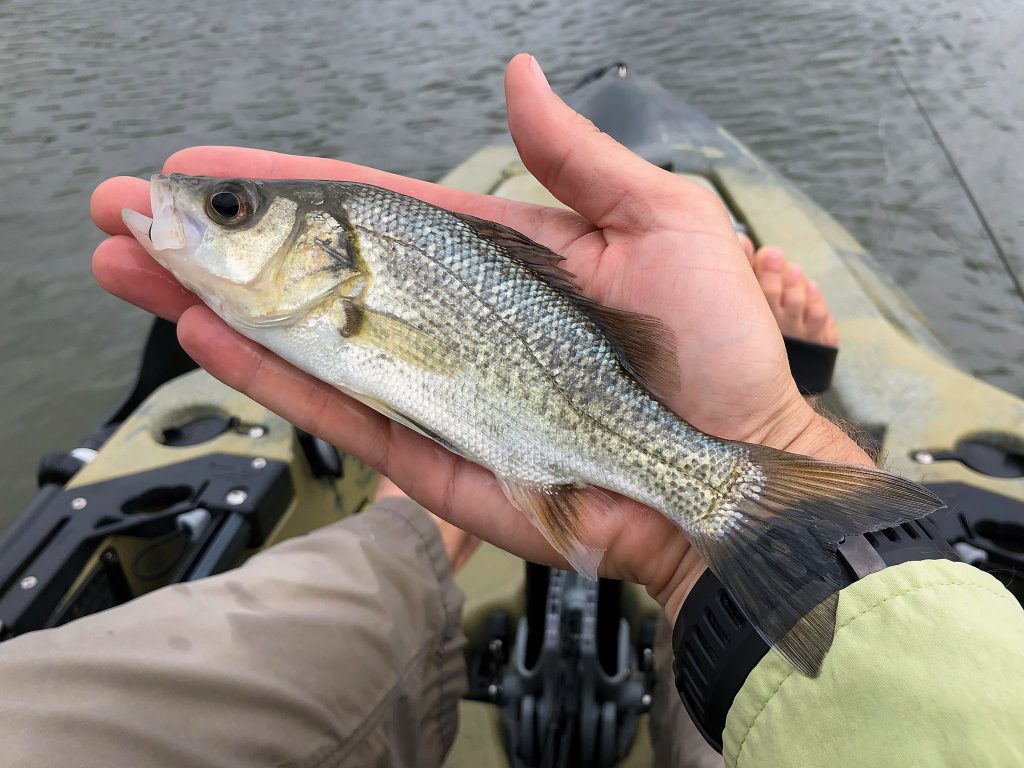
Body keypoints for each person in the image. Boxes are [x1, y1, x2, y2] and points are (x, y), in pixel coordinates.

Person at [0, 54, 1019, 767]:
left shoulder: (339, 285)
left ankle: (422, 525)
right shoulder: (311, 294)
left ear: (326, 257)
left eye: (232, 210)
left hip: (559, 420)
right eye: (230, 206)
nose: (206, 211)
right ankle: (791, 430)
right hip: (536, 421)